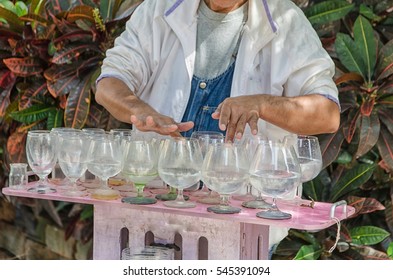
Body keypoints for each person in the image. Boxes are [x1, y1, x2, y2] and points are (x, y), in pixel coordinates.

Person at [95, 0, 340, 256]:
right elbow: (109, 84)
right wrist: (138, 109)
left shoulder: (286, 20)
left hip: (242, 229)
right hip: (152, 217)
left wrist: (262, 104)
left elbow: (327, 114)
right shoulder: (159, 8)